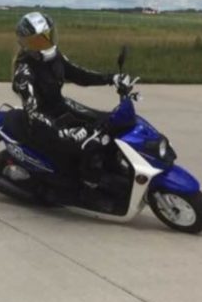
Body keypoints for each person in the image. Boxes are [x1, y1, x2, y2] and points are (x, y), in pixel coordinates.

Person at [11, 10, 134, 179]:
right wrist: (64, 133)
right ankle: (86, 183)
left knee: (108, 122)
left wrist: (112, 78)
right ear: (27, 44)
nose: (46, 42)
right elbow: (33, 112)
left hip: (60, 107)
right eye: (39, 40)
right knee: (87, 146)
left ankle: (111, 167)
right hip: (42, 124)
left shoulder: (55, 57)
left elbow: (80, 74)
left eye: (48, 36)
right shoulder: (24, 73)